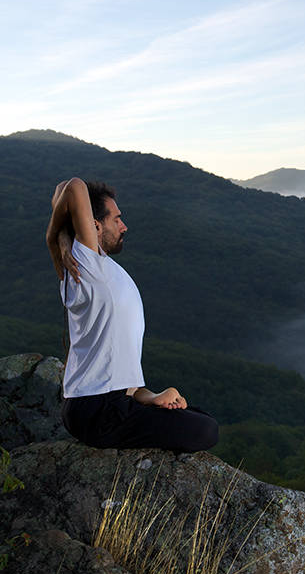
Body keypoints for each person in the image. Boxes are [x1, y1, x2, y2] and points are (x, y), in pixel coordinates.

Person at [46, 177, 219, 453]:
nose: (124, 226)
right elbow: (73, 186)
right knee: (205, 430)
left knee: (200, 418)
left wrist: (152, 397)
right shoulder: (89, 266)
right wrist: (54, 234)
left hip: (104, 402)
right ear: (94, 225)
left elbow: (118, 377)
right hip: (97, 410)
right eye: (117, 219)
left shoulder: (94, 266)